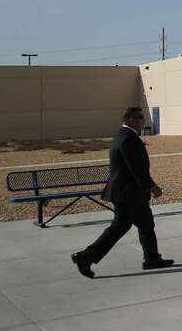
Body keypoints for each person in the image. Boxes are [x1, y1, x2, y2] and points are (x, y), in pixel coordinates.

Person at [72, 107, 174, 278]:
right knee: (119, 228)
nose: (143, 121)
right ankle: (85, 256)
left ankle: (152, 258)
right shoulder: (128, 139)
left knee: (146, 225)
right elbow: (136, 169)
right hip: (128, 194)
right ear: (130, 119)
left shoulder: (122, 135)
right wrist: (152, 186)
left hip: (130, 193)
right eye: (140, 117)